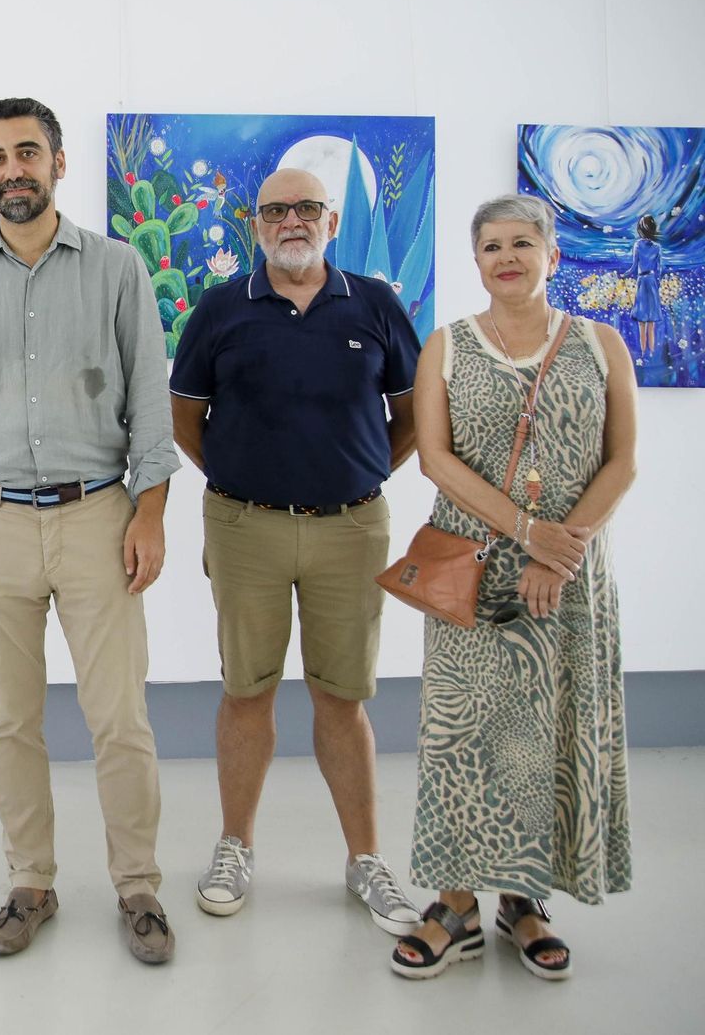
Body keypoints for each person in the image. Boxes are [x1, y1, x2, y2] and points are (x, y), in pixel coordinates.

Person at [0, 97, 180, 965]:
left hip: (99, 515)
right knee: (10, 720)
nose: (12, 170)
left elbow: (148, 398)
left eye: (29, 153)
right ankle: (30, 882)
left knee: (120, 719)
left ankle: (138, 888)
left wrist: (151, 512)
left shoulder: (117, 266)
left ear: (59, 163)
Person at [169, 167, 423, 937]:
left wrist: (361, 472)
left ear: (331, 220)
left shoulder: (375, 304)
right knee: (247, 691)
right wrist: (245, 479)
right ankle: (234, 846)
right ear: (256, 226)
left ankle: (366, 861)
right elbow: (186, 421)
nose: (290, 221)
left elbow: (410, 416)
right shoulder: (221, 309)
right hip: (246, 528)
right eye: (274, 210)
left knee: (341, 699)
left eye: (305, 207)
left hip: (353, 527)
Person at [391, 194, 636, 980]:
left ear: (552, 256)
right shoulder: (449, 346)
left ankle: (524, 902)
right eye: (491, 245)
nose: (507, 256)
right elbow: (434, 458)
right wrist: (528, 536)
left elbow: (621, 462)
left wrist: (557, 555)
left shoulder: (602, 345)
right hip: (476, 576)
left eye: (523, 243)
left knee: (544, 740)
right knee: (464, 742)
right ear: (477, 262)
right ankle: (455, 903)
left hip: (568, 580)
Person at [631, 213, 664, 357]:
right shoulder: (657, 247)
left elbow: (633, 267)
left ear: (640, 229)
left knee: (641, 323)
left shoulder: (637, 245)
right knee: (651, 323)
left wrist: (624, 275)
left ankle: (644, 353)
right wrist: (658, 283)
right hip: (652, 282)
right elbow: (660, 269)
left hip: (642, 281)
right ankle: (651, 353)